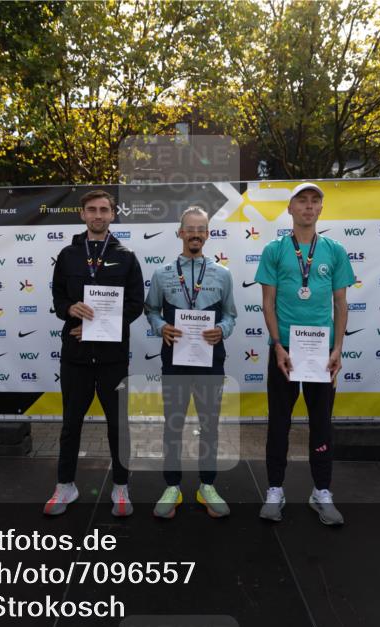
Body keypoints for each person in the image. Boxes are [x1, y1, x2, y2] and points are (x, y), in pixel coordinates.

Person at [254, 183, 355, 524]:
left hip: (321, 353)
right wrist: (277, 345)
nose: (309, 207)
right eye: (302, 201)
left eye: (315, 201)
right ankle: (275, 489)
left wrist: (338, 348)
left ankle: (321, 491)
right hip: (284, 352)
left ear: (321, 209)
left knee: (321, 423)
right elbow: (267, 303)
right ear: (290, 208)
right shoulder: (274, 250)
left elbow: (341, 304)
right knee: (278, 423)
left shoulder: (334, 250)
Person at [44, 190, 144, 517]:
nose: (98, 215)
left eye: (104, 209)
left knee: (118, 425)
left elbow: (135, 305)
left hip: (113, 358)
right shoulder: (68, 255)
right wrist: (68, 308)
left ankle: (121, 486)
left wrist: (96, 326)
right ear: (83, 214)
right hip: (75, 356)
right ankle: (65, 485)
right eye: (92, 209)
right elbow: (58, 297)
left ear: (113, 214)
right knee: (70, 424)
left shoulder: (127, 257)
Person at [144, 206, 237, 519]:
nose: (195, 234)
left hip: (211, 361)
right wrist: (160, 327)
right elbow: (151, 310)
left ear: (207, 234)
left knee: (209, 425)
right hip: (175, 361)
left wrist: (222, 329)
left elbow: (231, 315)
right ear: (180, 233)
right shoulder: (162, 274)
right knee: (173, 424)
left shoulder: (223, 274)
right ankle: (172, 486)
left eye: (201, 229)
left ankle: (207, 485)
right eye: (190, 229)